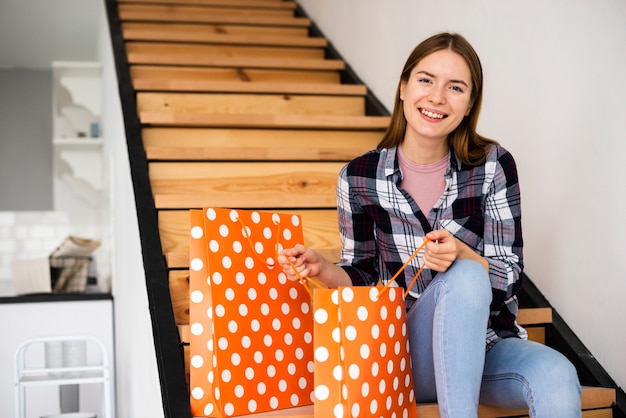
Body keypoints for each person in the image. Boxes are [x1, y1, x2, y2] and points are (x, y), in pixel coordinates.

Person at [277, 32, 582, 418]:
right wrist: (325, 270)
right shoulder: (359, 177)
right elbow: (364, 276)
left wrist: (463, 254)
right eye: (425, 80)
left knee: (558, 372)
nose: (437, 97)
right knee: (467, 276)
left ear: (470, 104)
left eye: (455, 87)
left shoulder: (493, 166)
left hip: (486, 346)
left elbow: (509, 276)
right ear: (403, 88)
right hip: (402, 354)